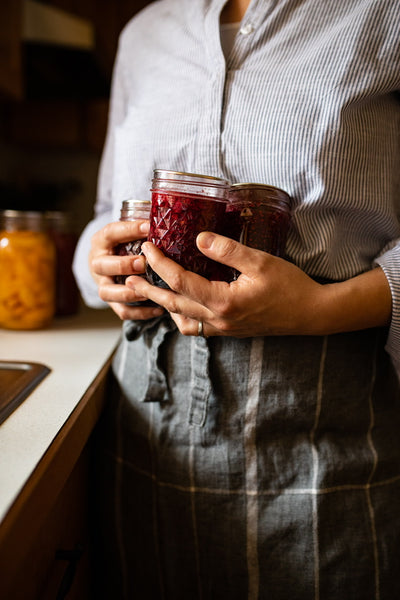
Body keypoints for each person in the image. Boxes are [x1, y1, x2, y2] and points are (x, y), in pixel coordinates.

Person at [73, 0, 400, 598]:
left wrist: (320, 309)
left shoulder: (381, 15)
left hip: (328, 431)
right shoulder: (145, 33)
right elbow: (106, 212)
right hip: (149, 431)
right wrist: (101, 267)